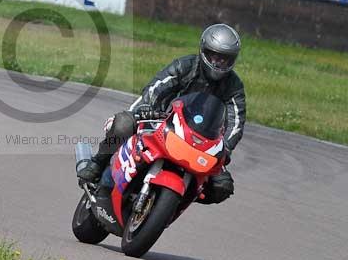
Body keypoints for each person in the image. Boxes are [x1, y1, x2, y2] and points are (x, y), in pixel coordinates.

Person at [77, 23, 246, 204]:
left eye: (225, 59)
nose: (218, 63)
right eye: (214, 56)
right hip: (163, 122)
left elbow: (236, 120)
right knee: (123, 125)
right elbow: (156, 88)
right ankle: (97, 163)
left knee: (223, 186)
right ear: (204, 51)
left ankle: (177, 200)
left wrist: (225, 147)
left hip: (200, 140)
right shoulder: (185, 66)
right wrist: (148, 107)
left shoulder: (234, 86)